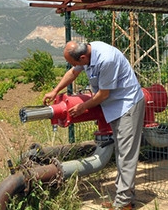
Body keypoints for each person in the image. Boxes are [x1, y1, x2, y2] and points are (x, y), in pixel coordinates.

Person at [43, 41, 145, 210]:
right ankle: (124, 199)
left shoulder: (106, 59)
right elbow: (73, 73)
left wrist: (83, 106)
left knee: (126, 154)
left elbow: (103, 94)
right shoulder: (88, 53)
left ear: (83, 56)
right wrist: (55, 90)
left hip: (128, 105)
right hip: (115, 106)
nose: (76, 66)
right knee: (122, 152)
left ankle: (123, 203)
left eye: (77, 63)